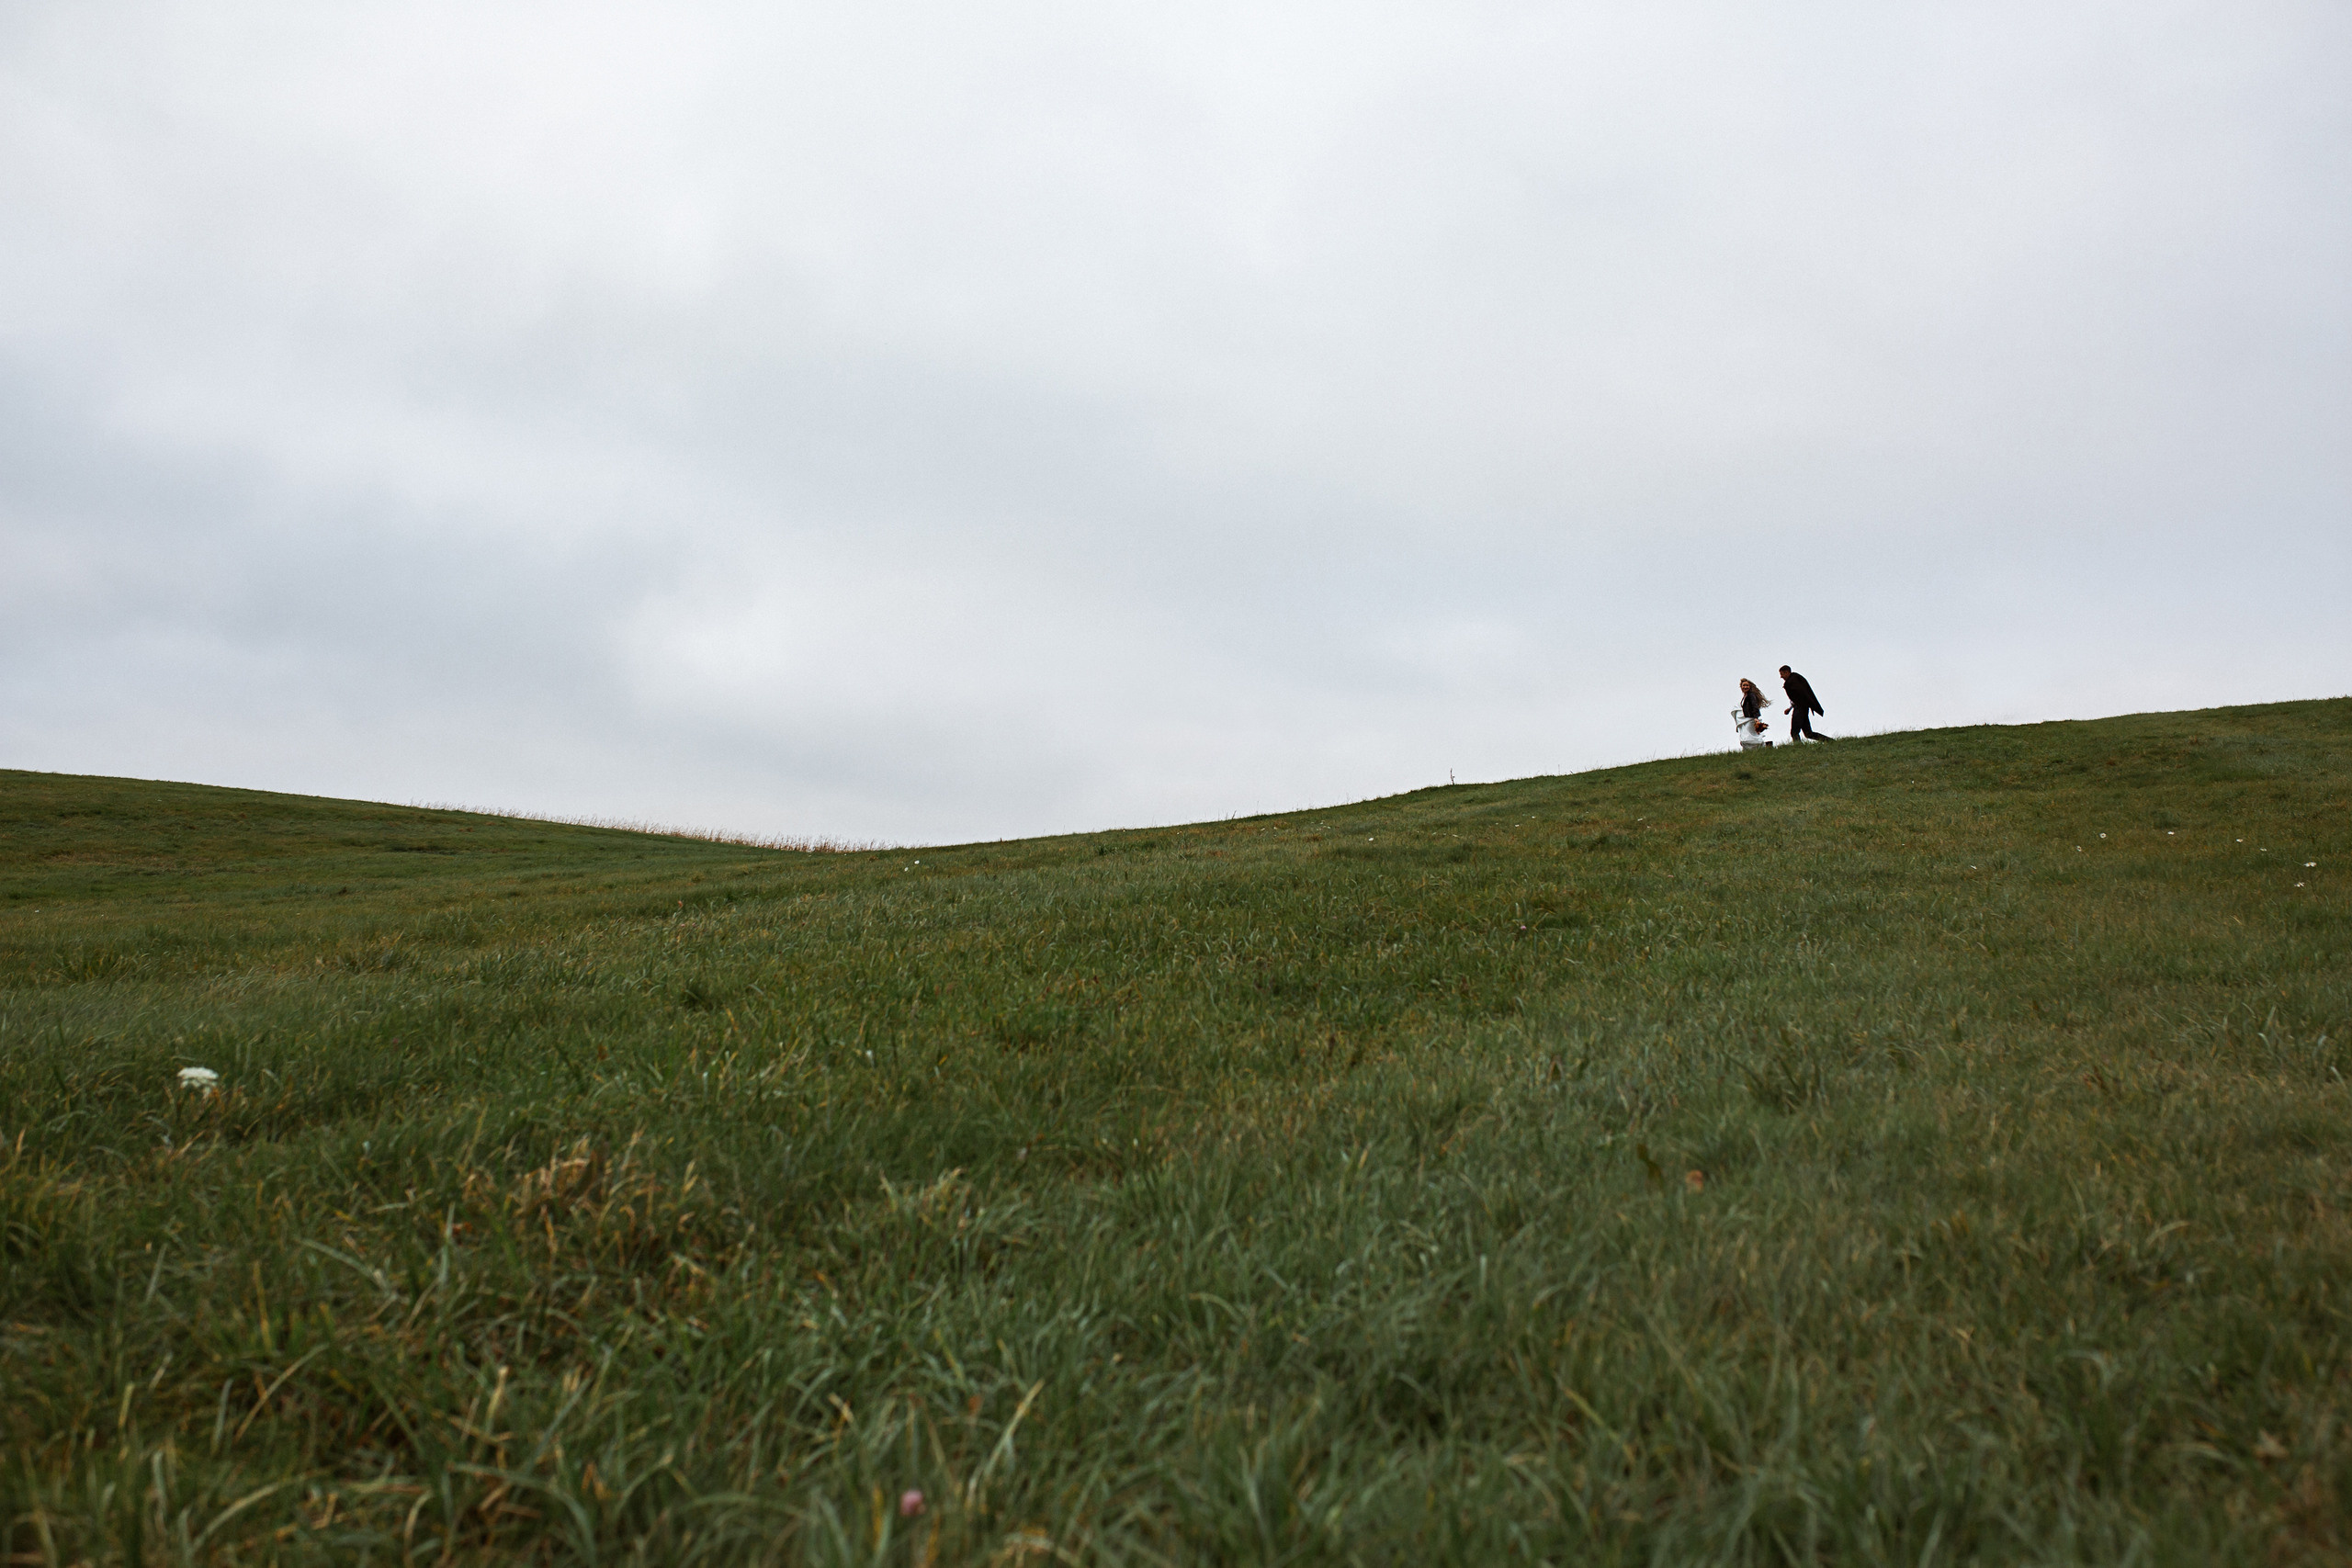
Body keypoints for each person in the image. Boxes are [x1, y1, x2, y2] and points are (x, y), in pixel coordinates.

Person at [1780, 665, 1827, 742]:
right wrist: (1790, 708)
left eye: (1782, 674)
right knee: (1808, 733)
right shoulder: (1795, 679)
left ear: (1787, 672)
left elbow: (1800, 695)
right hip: (1803, 708)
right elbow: (1797, 697)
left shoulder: (1793, 681)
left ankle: (1798, 748)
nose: (1781, 677)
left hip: (1800, 708)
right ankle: (1830, 741)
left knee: (1794, 732)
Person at [1733, 678, 1773, 748]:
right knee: (1748, 736)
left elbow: (1754, 706)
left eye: (1747, 685)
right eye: (1744, 685)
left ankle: (1765, 746)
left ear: (1750, 686)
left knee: (1749, 737)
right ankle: (1764, 746)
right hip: (1748, 718)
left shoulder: (1751, 695)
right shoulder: (1746, 696)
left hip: (1751, 719)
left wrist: (1755, 717)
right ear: (1741, 687)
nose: (1745, 687)